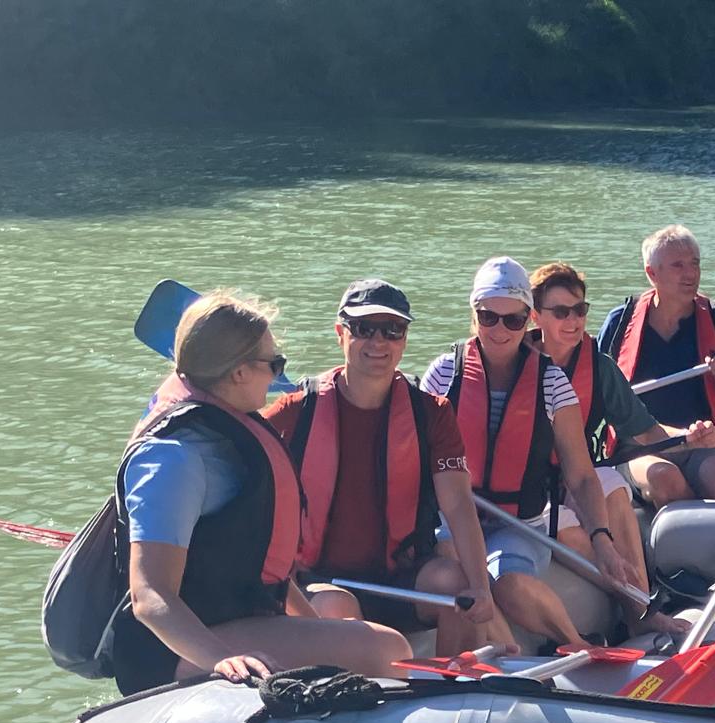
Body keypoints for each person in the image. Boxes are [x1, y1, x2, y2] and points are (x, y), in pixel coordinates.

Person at [111, 291, 409, 695]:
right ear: (239, 373)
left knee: (338, 613)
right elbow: (149, 595)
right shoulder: (173, 458)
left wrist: (315, 629)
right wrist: (220, 659)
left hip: (233, 618)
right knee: (387, 649)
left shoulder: (231, 436)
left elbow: (262, 570)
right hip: (170, 648)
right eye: (274, 364)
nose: (276, 378)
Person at [418, 257, 668, 639]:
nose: (500, 330)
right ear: (474, 315)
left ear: (527, 319)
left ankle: (579, 646)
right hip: (456, 518)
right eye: (488, 317)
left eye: (513, 320)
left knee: (507, 583)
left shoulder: (551, 383)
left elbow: (581, 475)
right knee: (455, 567)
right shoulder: (443, 375)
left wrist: (601, 539)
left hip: (521, 524)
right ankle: (501, 653)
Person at [263, 279, 502, 659]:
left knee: (458, 584)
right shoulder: (295, 412)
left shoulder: (432, 414)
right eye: (364, 328)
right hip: (321, 579)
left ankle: (454, 681)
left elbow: (458, 504)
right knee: (336, 606)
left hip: (400, 577)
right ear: (340, 333)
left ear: (404, 340)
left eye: (392, 330)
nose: (378, 342)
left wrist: (481, 587)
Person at [524, 260, 715, 604]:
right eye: (561, 312)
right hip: (526, 491)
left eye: (579, 310)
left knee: (610, 483)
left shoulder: (598, 368)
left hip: (575, 480)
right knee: (565, 525)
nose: (573, 321)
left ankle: (643, 606)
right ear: (535, 317)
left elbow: (647, 433)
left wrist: (689, 438)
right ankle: (641, 603)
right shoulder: (515, 363)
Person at [596, 226, 715, 504]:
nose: (691, 274)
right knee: (665, 478)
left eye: (695, 263)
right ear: (652, 273)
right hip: (638, 446)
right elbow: (595, 397)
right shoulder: (620, 322)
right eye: (678, 265)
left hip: (702, 444)